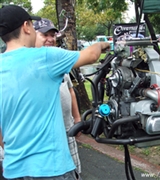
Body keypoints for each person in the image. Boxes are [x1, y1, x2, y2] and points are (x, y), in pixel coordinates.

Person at [0, 5, 110, 180]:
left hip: (13, 170)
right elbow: (91, 55)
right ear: (26, 27)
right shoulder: (45, 57)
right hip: (52, 168)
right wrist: (104, 44)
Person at [33, 18, 82, 178]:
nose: (50, 39)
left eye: (53, 35)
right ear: (33, 36)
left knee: (74, 171)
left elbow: (71, 91)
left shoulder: (59, 63)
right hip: (47, 134)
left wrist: (77, 118)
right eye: (45, 35)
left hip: (68, 129)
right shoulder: (29, 63)